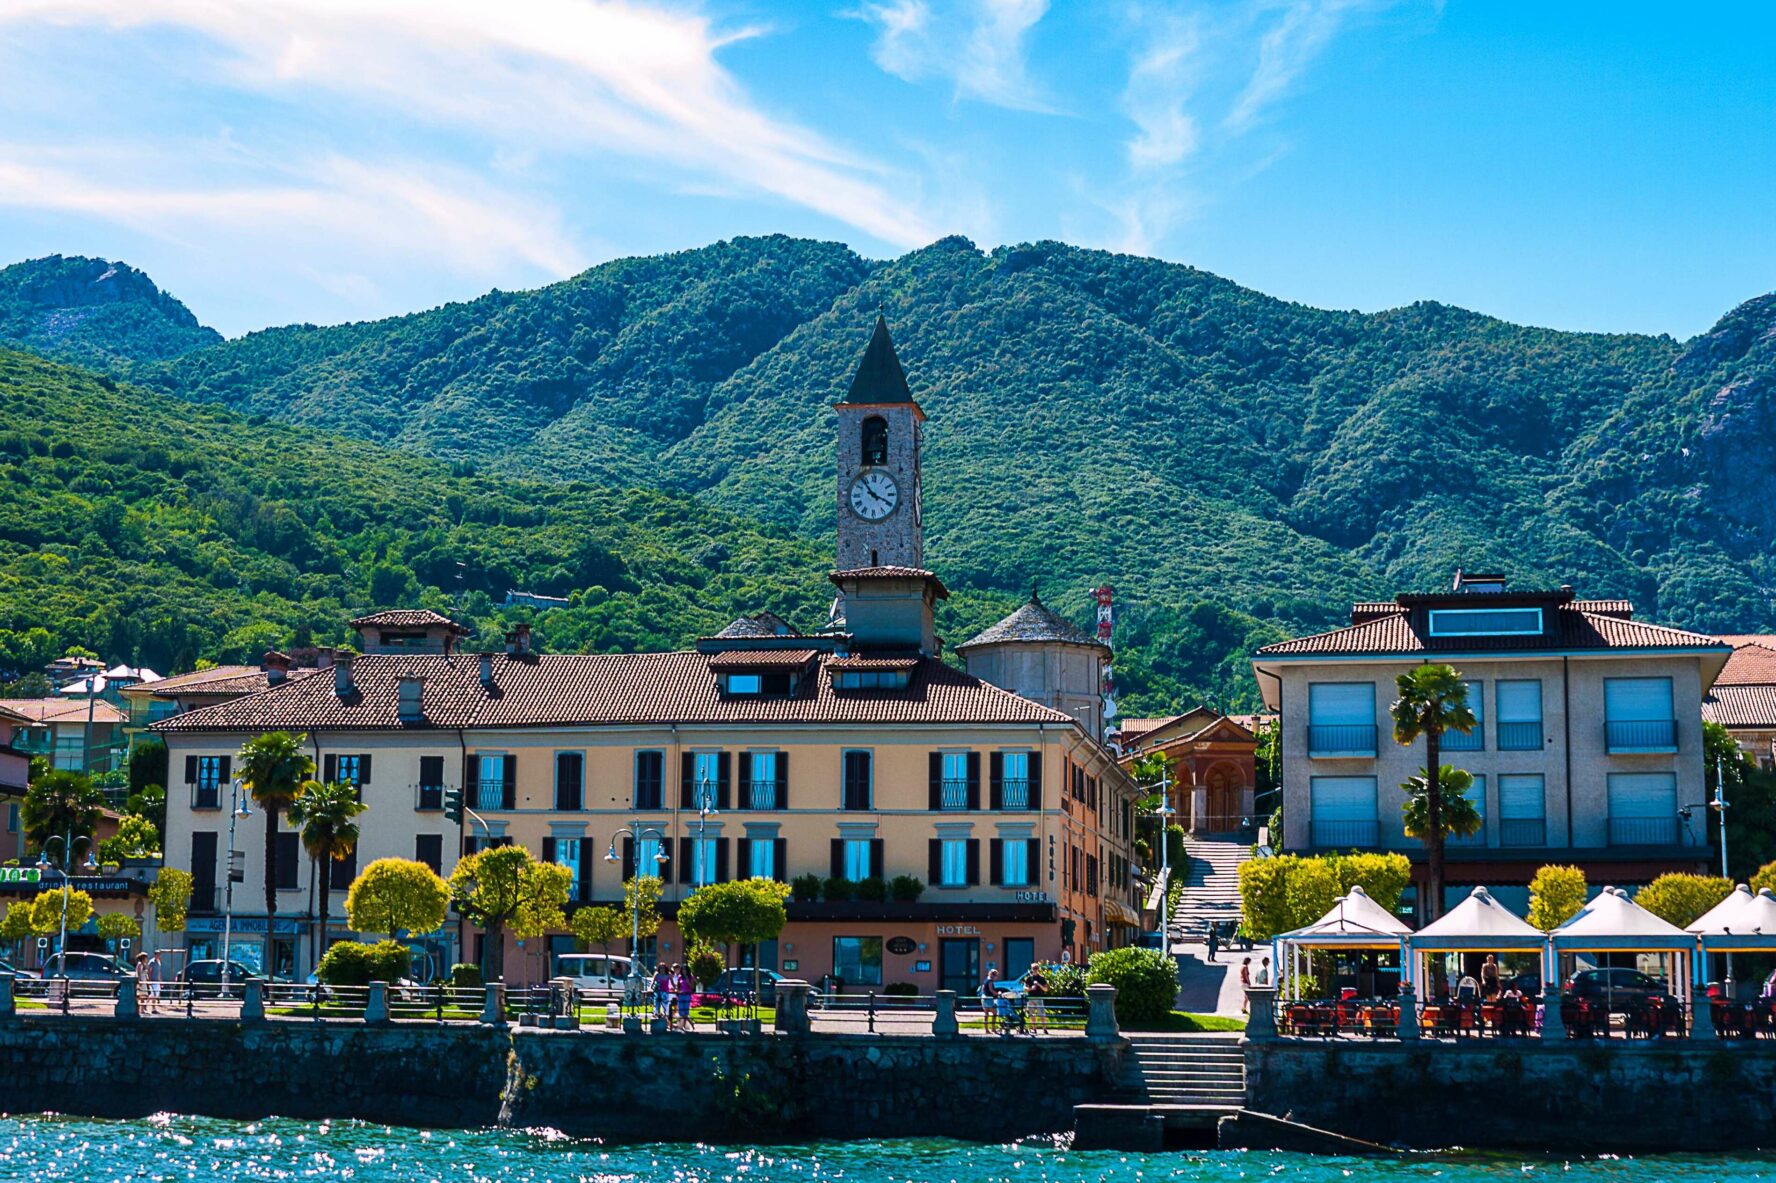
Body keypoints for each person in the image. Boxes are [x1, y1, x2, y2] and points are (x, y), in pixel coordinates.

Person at [1024, 966, 1050, 1034]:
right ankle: (1034, 1029)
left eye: (1036, 968)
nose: (1035, 970)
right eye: (1034, 968)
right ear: (1032, 969)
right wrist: (1031, 989)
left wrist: (1039, 985)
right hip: (1031, 998)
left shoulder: (1041, 978)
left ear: (1038, 969)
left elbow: (1046, 989)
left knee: (1042, 1014)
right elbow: (1024, 988)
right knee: (1031, 1014)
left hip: (1039, 998)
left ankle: (1044, 1029)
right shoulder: (1029, 978)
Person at [673, 965, 694, 1032]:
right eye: (683, 970)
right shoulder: (680, 977)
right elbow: (678, 987)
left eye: (685, 970)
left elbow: (692, 987)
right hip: (681, 995)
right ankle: (690, 1023)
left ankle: (684, 1026)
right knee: (681, 1012)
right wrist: (677, 991)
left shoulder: (691, 977)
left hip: (687, 995)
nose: (684, 971)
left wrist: (688, 980)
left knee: (685, 1011)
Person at [652, 964, 673, 1029]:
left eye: (663, 968)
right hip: (658, 991)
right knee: (657, 1005)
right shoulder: (657, 974)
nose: (662, 969)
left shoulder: (668, 974)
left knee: (665, 1006)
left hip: (665, 992)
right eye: (661, 968)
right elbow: (653, 981)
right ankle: (657, 1016)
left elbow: (672, 983)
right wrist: (651, 987)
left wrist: (675, 988)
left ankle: (665, 1020)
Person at [979, 969, 1000, 1034]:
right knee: (995, 1013)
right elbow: (991, 990)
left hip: (983, 998)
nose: (996, 977)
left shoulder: (985, 980)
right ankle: (993, 1029)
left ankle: (986, 1030)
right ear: (994, 975)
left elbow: (982, 989)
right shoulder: (990, 981)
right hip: (989, 998)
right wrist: (998, 993)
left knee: (986, 1014)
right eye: (996, 975)